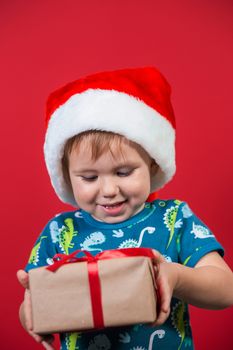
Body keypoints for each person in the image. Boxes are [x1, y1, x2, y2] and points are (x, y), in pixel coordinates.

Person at [17, 67, 233, 350]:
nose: (108, 190)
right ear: (67, 176)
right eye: (90, 177)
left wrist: (176, 276)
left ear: (152, 164)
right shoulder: (60, 232)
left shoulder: (174, 219)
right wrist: (32, 312)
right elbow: (30, 306)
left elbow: (226, 288)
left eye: (123, 172)